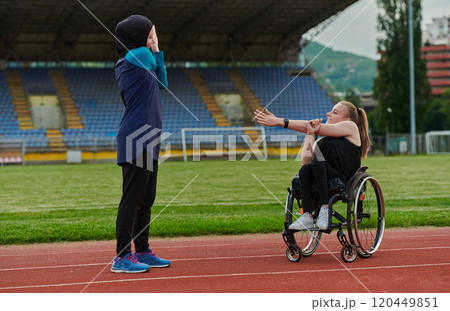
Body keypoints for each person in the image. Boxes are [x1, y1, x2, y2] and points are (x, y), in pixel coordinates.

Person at [111, 14, 170, 273]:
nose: (153, 38)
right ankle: (122, 257)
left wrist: (155, 48)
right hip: (137, 136)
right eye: (149, 33)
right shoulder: (138, 57)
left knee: (146, 200)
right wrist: (156, 48)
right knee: (132, 200)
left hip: (148, 137)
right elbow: (155, 62)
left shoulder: (136, 60)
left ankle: (143, 250)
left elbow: (163, 84)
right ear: (138, 36)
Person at [254, 101, 370, 231]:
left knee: (317, 162)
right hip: (322, 177)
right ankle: (307, 215)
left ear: (346, 119)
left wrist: (281, 122)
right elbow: (305, 163)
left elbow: (316, 127)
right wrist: (309, 133)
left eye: (335, 112)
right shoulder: (320, 140)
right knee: (306, 168)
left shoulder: (351, 127)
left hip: (343, 179)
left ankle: (325, 210)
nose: (328, 114)